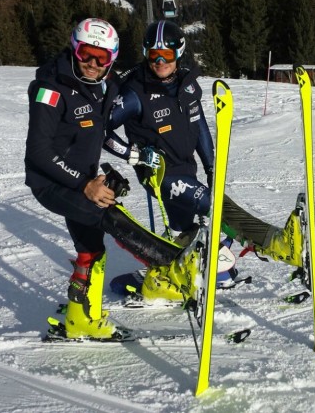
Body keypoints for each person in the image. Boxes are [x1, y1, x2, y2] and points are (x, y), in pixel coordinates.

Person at [24, 18, 200, 339]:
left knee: (91, 248)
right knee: (109, 216)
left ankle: (80, 318)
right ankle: (170, 262)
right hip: (53, 183)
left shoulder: (106, 85)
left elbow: (116, 116)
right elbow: (38, 152)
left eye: (101, 57)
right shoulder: (51, 89)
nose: (93, 63)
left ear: (112, 58)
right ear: (74, 49)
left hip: (84, 179)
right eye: (86, 54)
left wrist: (135, 153)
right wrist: (84, 185)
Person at [105, 20, 303, 301]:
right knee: (215, 204)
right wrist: (132, 154)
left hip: (187, 169)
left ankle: (181, 272)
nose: (160, 62)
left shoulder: (187, 85)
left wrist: (211, 167)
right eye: (154, 55)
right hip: (161, 175)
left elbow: (199, 128)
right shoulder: (135, 92)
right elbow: (100, 129)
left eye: (167, 55)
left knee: (187, 228)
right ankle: (278, 243)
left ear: (179, 53)